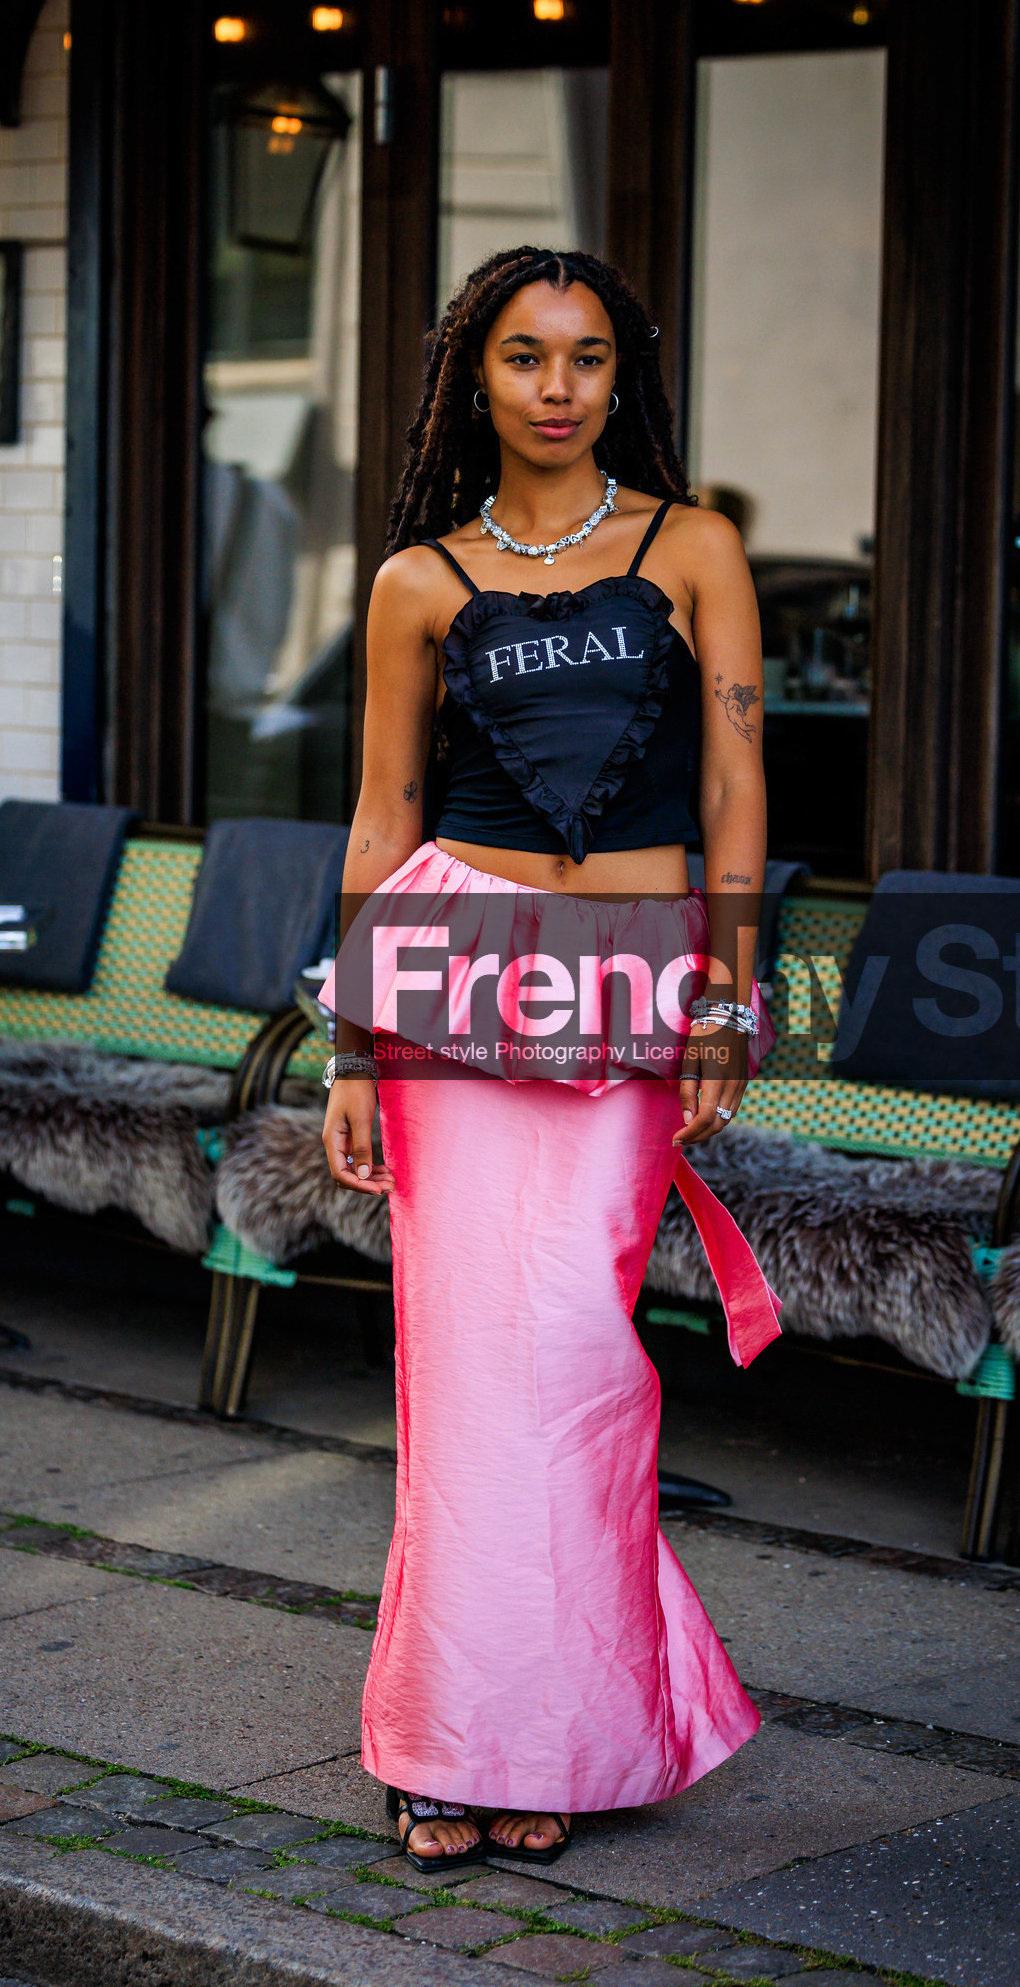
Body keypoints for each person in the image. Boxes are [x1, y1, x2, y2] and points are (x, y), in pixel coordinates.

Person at [317, 247, 781, 1873]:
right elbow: (382, 815)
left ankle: (570, 1727)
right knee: (460, 1377)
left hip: (640, 975)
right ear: (478, 376)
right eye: (525, 355)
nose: (558, 384)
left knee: (579, 1361)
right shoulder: (417, 582)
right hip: (451, 973)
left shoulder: (701, 549)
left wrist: (726, 993)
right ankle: (458, 1741)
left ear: (621, 377)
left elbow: (736, 795)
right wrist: (352, 1047)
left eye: (587, 356)